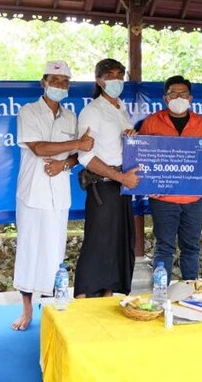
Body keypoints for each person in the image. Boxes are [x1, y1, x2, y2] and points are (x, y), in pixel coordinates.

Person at [11, 61, 93, 330]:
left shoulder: (71, 116)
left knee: (54, 251)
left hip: (59, 193)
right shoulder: (29, 111)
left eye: (64, 82)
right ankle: (26, 310)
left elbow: (78, 155)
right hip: (32, 192)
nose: (60, 86)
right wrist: (77, 144)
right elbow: (39, 147)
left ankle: (49, 308)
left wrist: (64, 163)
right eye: (55, 80)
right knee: (30, 249)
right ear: (43, 82)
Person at [139, 75, 202, 282]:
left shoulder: (200, 123)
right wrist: (148, 184)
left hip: (193, 199)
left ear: (190, 98)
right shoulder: (152, 122)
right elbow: (140, 156)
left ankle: (190, 290)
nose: (178, 97)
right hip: (163, 199)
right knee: (164, 247)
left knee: (191, 247)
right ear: (165, 98)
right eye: (173, 93)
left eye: (183, 93)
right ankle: (160, 290)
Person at [74, 58, 141, 298]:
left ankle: (107, 297)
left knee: (118, 244)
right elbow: (85, 156)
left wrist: (130, 138)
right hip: (103, 186)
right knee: (97, 244)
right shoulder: (92, 112)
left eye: (119, 75)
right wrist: (119, 176)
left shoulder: (120, 109)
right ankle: (82, 299)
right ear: (99, 81)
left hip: (121, 185)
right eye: (109, 75)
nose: (115, 80)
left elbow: (118, 147)